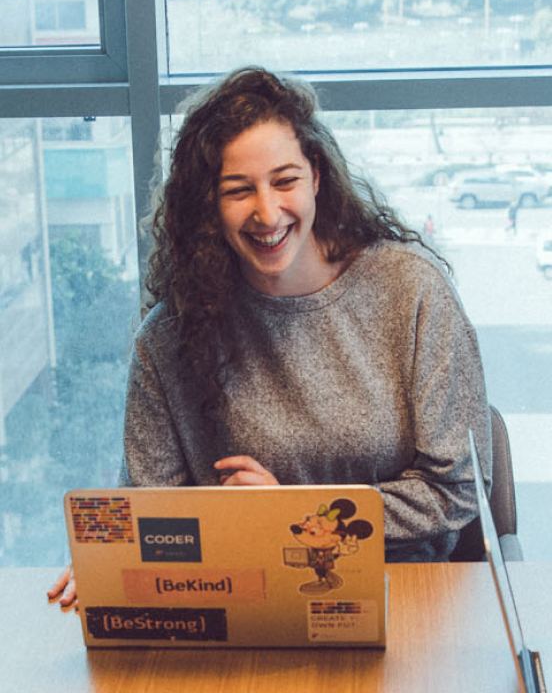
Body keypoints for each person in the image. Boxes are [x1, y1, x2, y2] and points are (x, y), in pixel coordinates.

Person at [49, 66, 491, 607]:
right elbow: (154, 512)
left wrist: (298, 517)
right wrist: (115, 553)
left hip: (407, 596)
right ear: (209, 205)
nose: (266, 212)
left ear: (317, 178)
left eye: (285, 181)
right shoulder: (168, 337)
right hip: (246, 599)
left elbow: (459, 488)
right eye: (238, 190)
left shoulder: (411, 290)